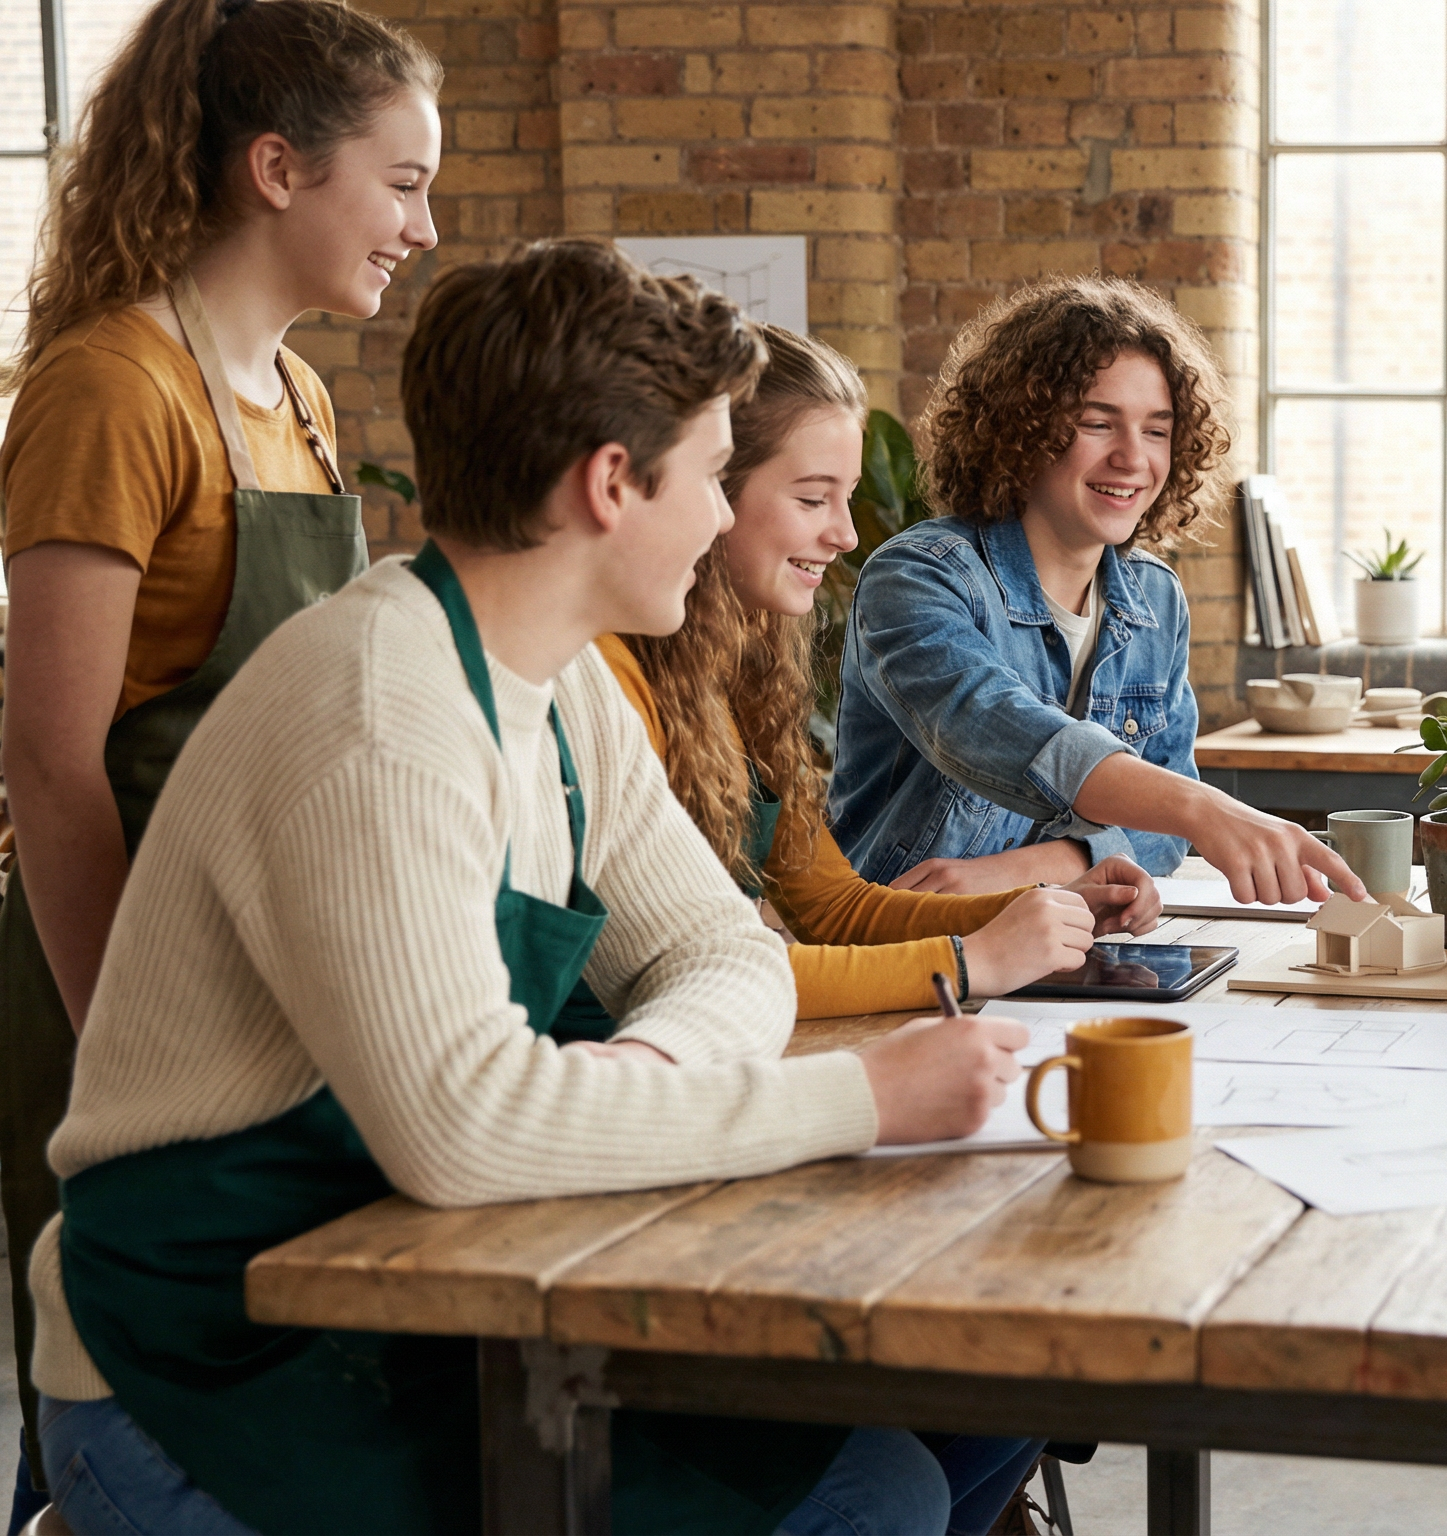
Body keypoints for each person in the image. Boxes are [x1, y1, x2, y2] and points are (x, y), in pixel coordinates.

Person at [25, 240, 1042, 1536]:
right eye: (709, 476)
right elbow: (463, 1130)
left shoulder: (554, 681)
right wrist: (859, 1098)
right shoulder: (379, 712)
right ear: (610, 484)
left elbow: (722, 952)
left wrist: (650, 1068)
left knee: (920, 1448)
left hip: (426, 1291)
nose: (721, 518)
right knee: (872, 1501)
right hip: (208, 1357)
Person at [0, 0, 438, 1521]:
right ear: (277, 169)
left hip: (261, 965)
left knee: (260, 1395)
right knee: (113, 1378)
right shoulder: (111, 389)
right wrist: (129, 1038)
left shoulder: (300, 399)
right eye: (401, 184)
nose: (421, 228)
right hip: (116, 961)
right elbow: (51, 764)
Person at [597, 323, 1161, 1018]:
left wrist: (1043, 908)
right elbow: (699, 971)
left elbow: (833, 907)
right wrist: (971, 961)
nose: (846, 534)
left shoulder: (739, 668)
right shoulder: (610, 679)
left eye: (847, 496)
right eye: (813, 499)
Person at [830, 274, 1363, 909]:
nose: (1133, 458)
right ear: (1020, 430)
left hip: (1055, 935)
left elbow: (1161, 835)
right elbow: (995, 727)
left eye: (1157, 430)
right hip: (895, 932)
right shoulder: (919, 576)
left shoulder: (1155, 599)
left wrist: (1046, 865)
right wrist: (1203, 809)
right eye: (1097, 423)